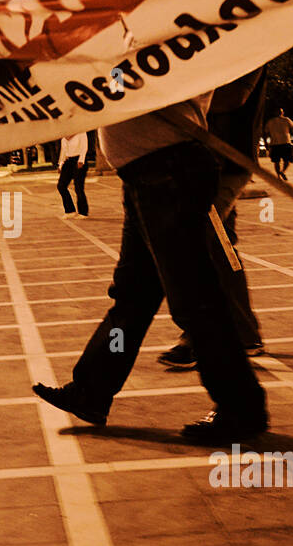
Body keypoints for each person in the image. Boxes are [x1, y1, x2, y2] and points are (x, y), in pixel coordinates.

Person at [31, 88, 268, 444]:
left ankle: (241, 408)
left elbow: (224, 94)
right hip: (146, 173)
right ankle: (91, 390)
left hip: (168, 170)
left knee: (194, 300)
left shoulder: (166, 39)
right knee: (132, 297)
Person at [159, 68, 268, 369]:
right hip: (202, 161)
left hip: (229, 162)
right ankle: (244, 335)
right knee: (220, 247)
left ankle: (201, 337)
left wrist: (170, 94)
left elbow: (233, 97)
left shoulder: (250, 47)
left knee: (201, 239)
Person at [56, 131, 89, 217]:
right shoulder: (64, 136)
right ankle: (70, 211)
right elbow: (63, 151)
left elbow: (84, 147)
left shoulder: (81, 132)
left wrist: (81, 160)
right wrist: (60, 164)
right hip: (68, 161)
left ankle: (83, 212)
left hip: (79, 160)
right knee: (61, 186)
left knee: (78, 187)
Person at [264, 108, 293, 179]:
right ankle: (281, 173)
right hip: (284, 143)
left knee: (277, 161)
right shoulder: (285, 120)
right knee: (284, 161)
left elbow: (266, 133)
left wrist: (266, 142)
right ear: (282, 113)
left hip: (277, 144)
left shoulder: (271, 121)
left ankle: (280, 174)